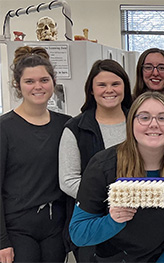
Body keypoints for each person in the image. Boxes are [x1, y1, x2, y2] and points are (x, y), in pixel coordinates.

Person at [69, 92, 164, 261]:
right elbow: (78, 233)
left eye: (162, 118)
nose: (153, 124)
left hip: (158, 255)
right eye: (144, 118)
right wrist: (112, 221)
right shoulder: (103, 166)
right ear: (131, 123)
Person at [0, 46, 71, 262]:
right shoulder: (4, 128)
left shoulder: (66, 125)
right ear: (18, 85)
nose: (38, 87)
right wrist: (2, 241)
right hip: (17, 228)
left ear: (53, 81)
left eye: (43, 80)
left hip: (54, 228)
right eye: (29, 81)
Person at [58, 59, 132, 261]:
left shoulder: (140, 122)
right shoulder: (75, 128)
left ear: (125, 87)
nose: (109, 90)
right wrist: (113, 199)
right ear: (91, 90)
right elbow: (68, 180)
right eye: (102, 85)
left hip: (136, 221)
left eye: (115, 84)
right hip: (92, 223)